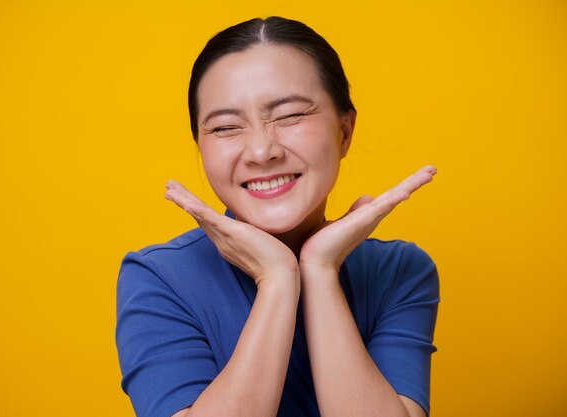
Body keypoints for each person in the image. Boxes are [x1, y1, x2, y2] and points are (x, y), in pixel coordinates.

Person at [116, 16, 439, 417]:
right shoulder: (159, 277)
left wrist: (320, 271)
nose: (261, 151)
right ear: (200, 145)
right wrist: (278, 279)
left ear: (344, 131)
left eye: (289, 116)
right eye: (226, 127)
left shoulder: (399, 271)